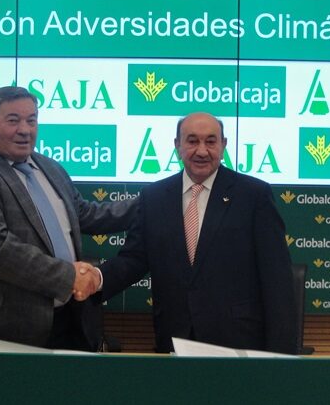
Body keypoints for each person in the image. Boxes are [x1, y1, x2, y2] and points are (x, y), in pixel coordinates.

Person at [0, 86, 133, 351]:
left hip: (71, 319)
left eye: (31, 120)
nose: (25, 130)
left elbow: (85, 215)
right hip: (7, 328)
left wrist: (156, 200)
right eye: (13, 120)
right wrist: (69, 276)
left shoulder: (50, 167)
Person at [92, 112, 299, 354]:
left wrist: (281, 356)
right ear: (177, 145)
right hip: (174, 339)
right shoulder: (154, 197)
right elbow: (134, 259)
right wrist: (95, 278)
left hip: (239, 343)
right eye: (192, 141)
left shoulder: (254, 195)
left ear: (223, 145)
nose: (202, 151)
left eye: (211, 141)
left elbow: (277, 278)